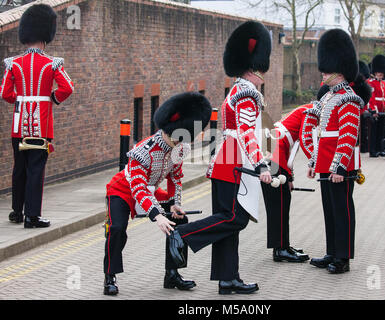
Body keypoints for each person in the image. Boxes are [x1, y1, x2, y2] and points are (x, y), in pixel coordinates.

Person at [167, 21, 272, 295]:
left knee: (228, 220)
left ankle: (228, 278)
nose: (263, 76)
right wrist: (261, 163)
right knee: (235, 218)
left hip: (226, 158)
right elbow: (247, 133)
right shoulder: (248, 95)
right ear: (254, 69)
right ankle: (184, 234)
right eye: (261, 70)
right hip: (233, 159)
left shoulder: (236, 91)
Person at [102, 92, 212, 295]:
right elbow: (138, 189)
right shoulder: (143, 151)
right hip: (123, 190)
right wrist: (157, 216)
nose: (178, 145)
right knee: (117, 229)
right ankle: (110, 275)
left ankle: (172, 274)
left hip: (152, 190)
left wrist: (174, 204)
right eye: (176, 140)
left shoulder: (180, 147)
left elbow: (176, 178)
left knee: (180, 220)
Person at [0, 4, 74, 227]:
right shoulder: (52, 63)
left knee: (19, 168)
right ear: (45, 36)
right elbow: (67, 87)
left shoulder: (13, 64)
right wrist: (51, 98)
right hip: (41, 125)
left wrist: (20, 100)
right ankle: (32, 216)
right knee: (36, 170)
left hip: (18, 124)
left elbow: (5, 93)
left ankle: (16, 212)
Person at [305, 29, 372, 274]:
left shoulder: (349, 98)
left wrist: (339, 167)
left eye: (327, 69)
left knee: (342, 211)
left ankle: (343, 258)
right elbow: (318, 133)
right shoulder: (328, 98)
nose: (323, 73)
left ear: (340, 70)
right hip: (325, 163)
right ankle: (332, 251)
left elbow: (347, 136)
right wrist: (314, 161)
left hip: (340, 165)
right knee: (329, 210)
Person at [260, 86, 328, 263]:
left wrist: (290, 177)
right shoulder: (313, 112)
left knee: (283, 202)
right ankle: (280, 249)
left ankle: (283, 245)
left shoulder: (311, 110)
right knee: (279, 204)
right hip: (274, 153)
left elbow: (293, 148)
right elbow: (306, 139)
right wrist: (315, 163)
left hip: (278, 153)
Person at [367, 55, 385, 158]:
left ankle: (380, 149)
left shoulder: (383, 83)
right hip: (375, 110)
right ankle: (372, 150)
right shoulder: (371, 83)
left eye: (381, 74)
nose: (380, 75)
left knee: (381, 131)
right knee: (373, 132)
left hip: (383, 110)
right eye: (378, 73)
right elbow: (372, 97)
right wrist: (374, 110)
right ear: (375, 73)